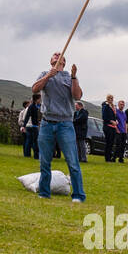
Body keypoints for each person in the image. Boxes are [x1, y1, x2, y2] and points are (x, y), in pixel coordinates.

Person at [30, 53, 85, 201]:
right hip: (47, 123)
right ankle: (44, 193)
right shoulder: (44, 74)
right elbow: (35, 89)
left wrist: (74, 76)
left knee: (72, 161)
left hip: (65, 124)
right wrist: (49, 75)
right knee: (45, 161)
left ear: (64, 62)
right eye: (55, 54)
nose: (57, 55)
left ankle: (78, 195)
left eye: (60, 55)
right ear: (51, 61)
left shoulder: (68, 76)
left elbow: (77, 95)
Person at [22, 93, 41, 159]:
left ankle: (27, 154)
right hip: (33, 126)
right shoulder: (33, 107)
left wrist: (24, 125)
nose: (40, 100)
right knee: (35, 141)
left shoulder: (32, 106)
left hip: (28, 126)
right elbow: (28, 116)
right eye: (39, 99)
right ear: (37, 99)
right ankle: (36, 155)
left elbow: (27, 117)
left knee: (28, 141)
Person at [101, 94, 117, 162]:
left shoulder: (113, 106)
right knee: (108, 142)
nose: (111, 99)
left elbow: (114, 116)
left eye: (112, 98)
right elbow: (104, 117)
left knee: (111, 143)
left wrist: (116, 121)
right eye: (110, 98)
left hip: (113, 127)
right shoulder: (105, 106)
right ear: (107, 99)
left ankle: (110, 157)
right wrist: (111, 121)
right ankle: (107, 158)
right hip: (108, 126)